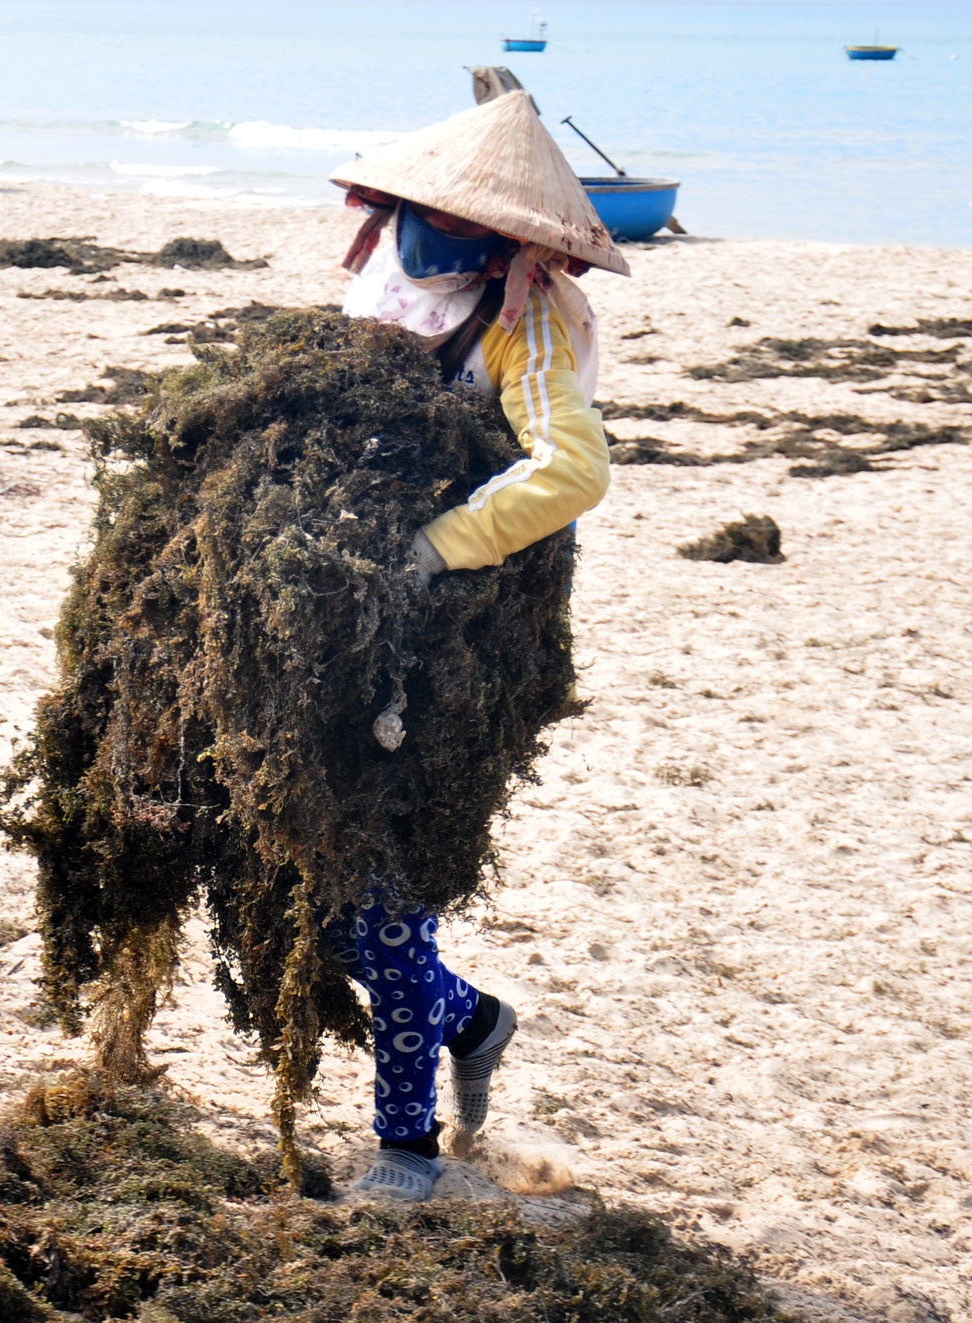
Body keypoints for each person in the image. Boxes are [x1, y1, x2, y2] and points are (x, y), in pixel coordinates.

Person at [328, 90, 628, 1202]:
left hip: (466, 632)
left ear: (514, 242)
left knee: (392, 890)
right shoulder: (383, 273)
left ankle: (403, 1147)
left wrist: (429, 549)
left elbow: (570, 470)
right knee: (314, 879)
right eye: (421, 210)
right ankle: (473, 1018)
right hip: (344, 613)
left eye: (460, 222)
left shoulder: (531, 321)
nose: (431, 234)